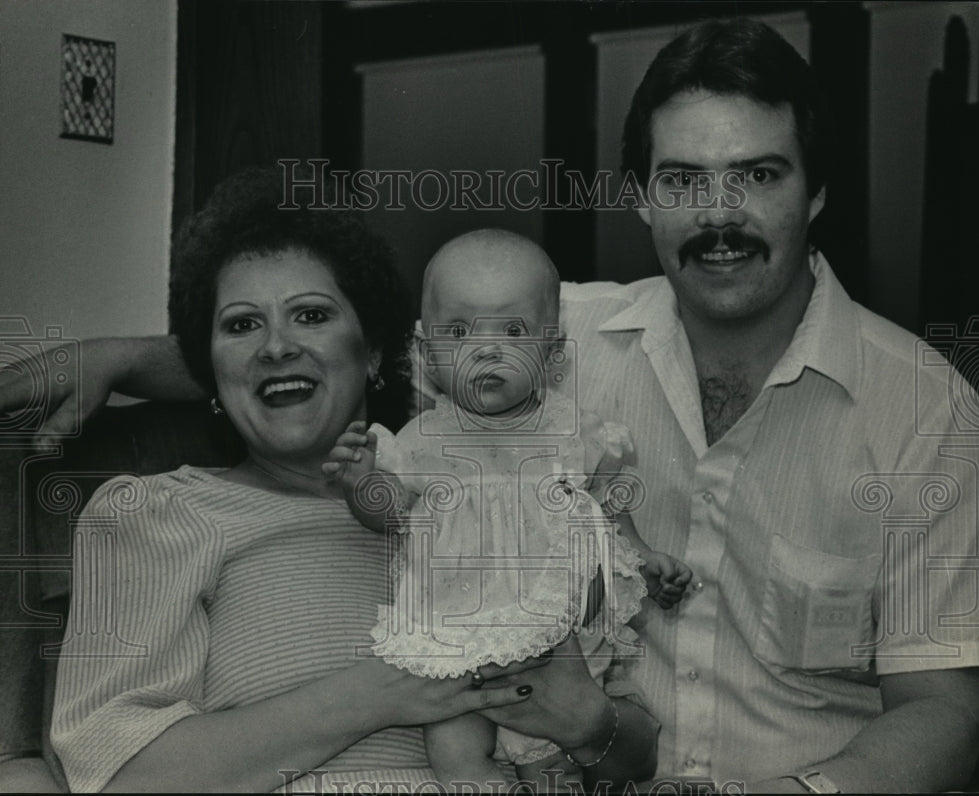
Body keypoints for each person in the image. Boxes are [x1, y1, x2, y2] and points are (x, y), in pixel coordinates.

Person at [1, 16, 979, 793]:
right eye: (683, 179)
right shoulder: (547, 344)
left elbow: (943, 712)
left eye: (758, 176)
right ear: (640, 198)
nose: (719, 214)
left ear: (816, 190)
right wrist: (125, 354)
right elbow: (339, 350)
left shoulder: (924, 414)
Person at [32, 168, 659, 793]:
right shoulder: (158, 512)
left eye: (310, 314)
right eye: (242, 324)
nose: (277, 346)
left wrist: (587, 722)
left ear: (377, 352)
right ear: (210, 372)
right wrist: (380, 693)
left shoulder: (494, 500)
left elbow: (634, 761)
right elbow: (120, 778)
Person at [324, 228, 691, 790]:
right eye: (459, 330)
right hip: (457, 635)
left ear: (552, 351)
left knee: (551, 759)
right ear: (426, 352)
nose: (486, 350)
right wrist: (361, 486)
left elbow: (608, 515)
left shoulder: (577, 434)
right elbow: (393, 516)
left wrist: (644, 559)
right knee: (454, 749)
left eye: (514, 330)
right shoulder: (423, 439)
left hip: (555, 637)